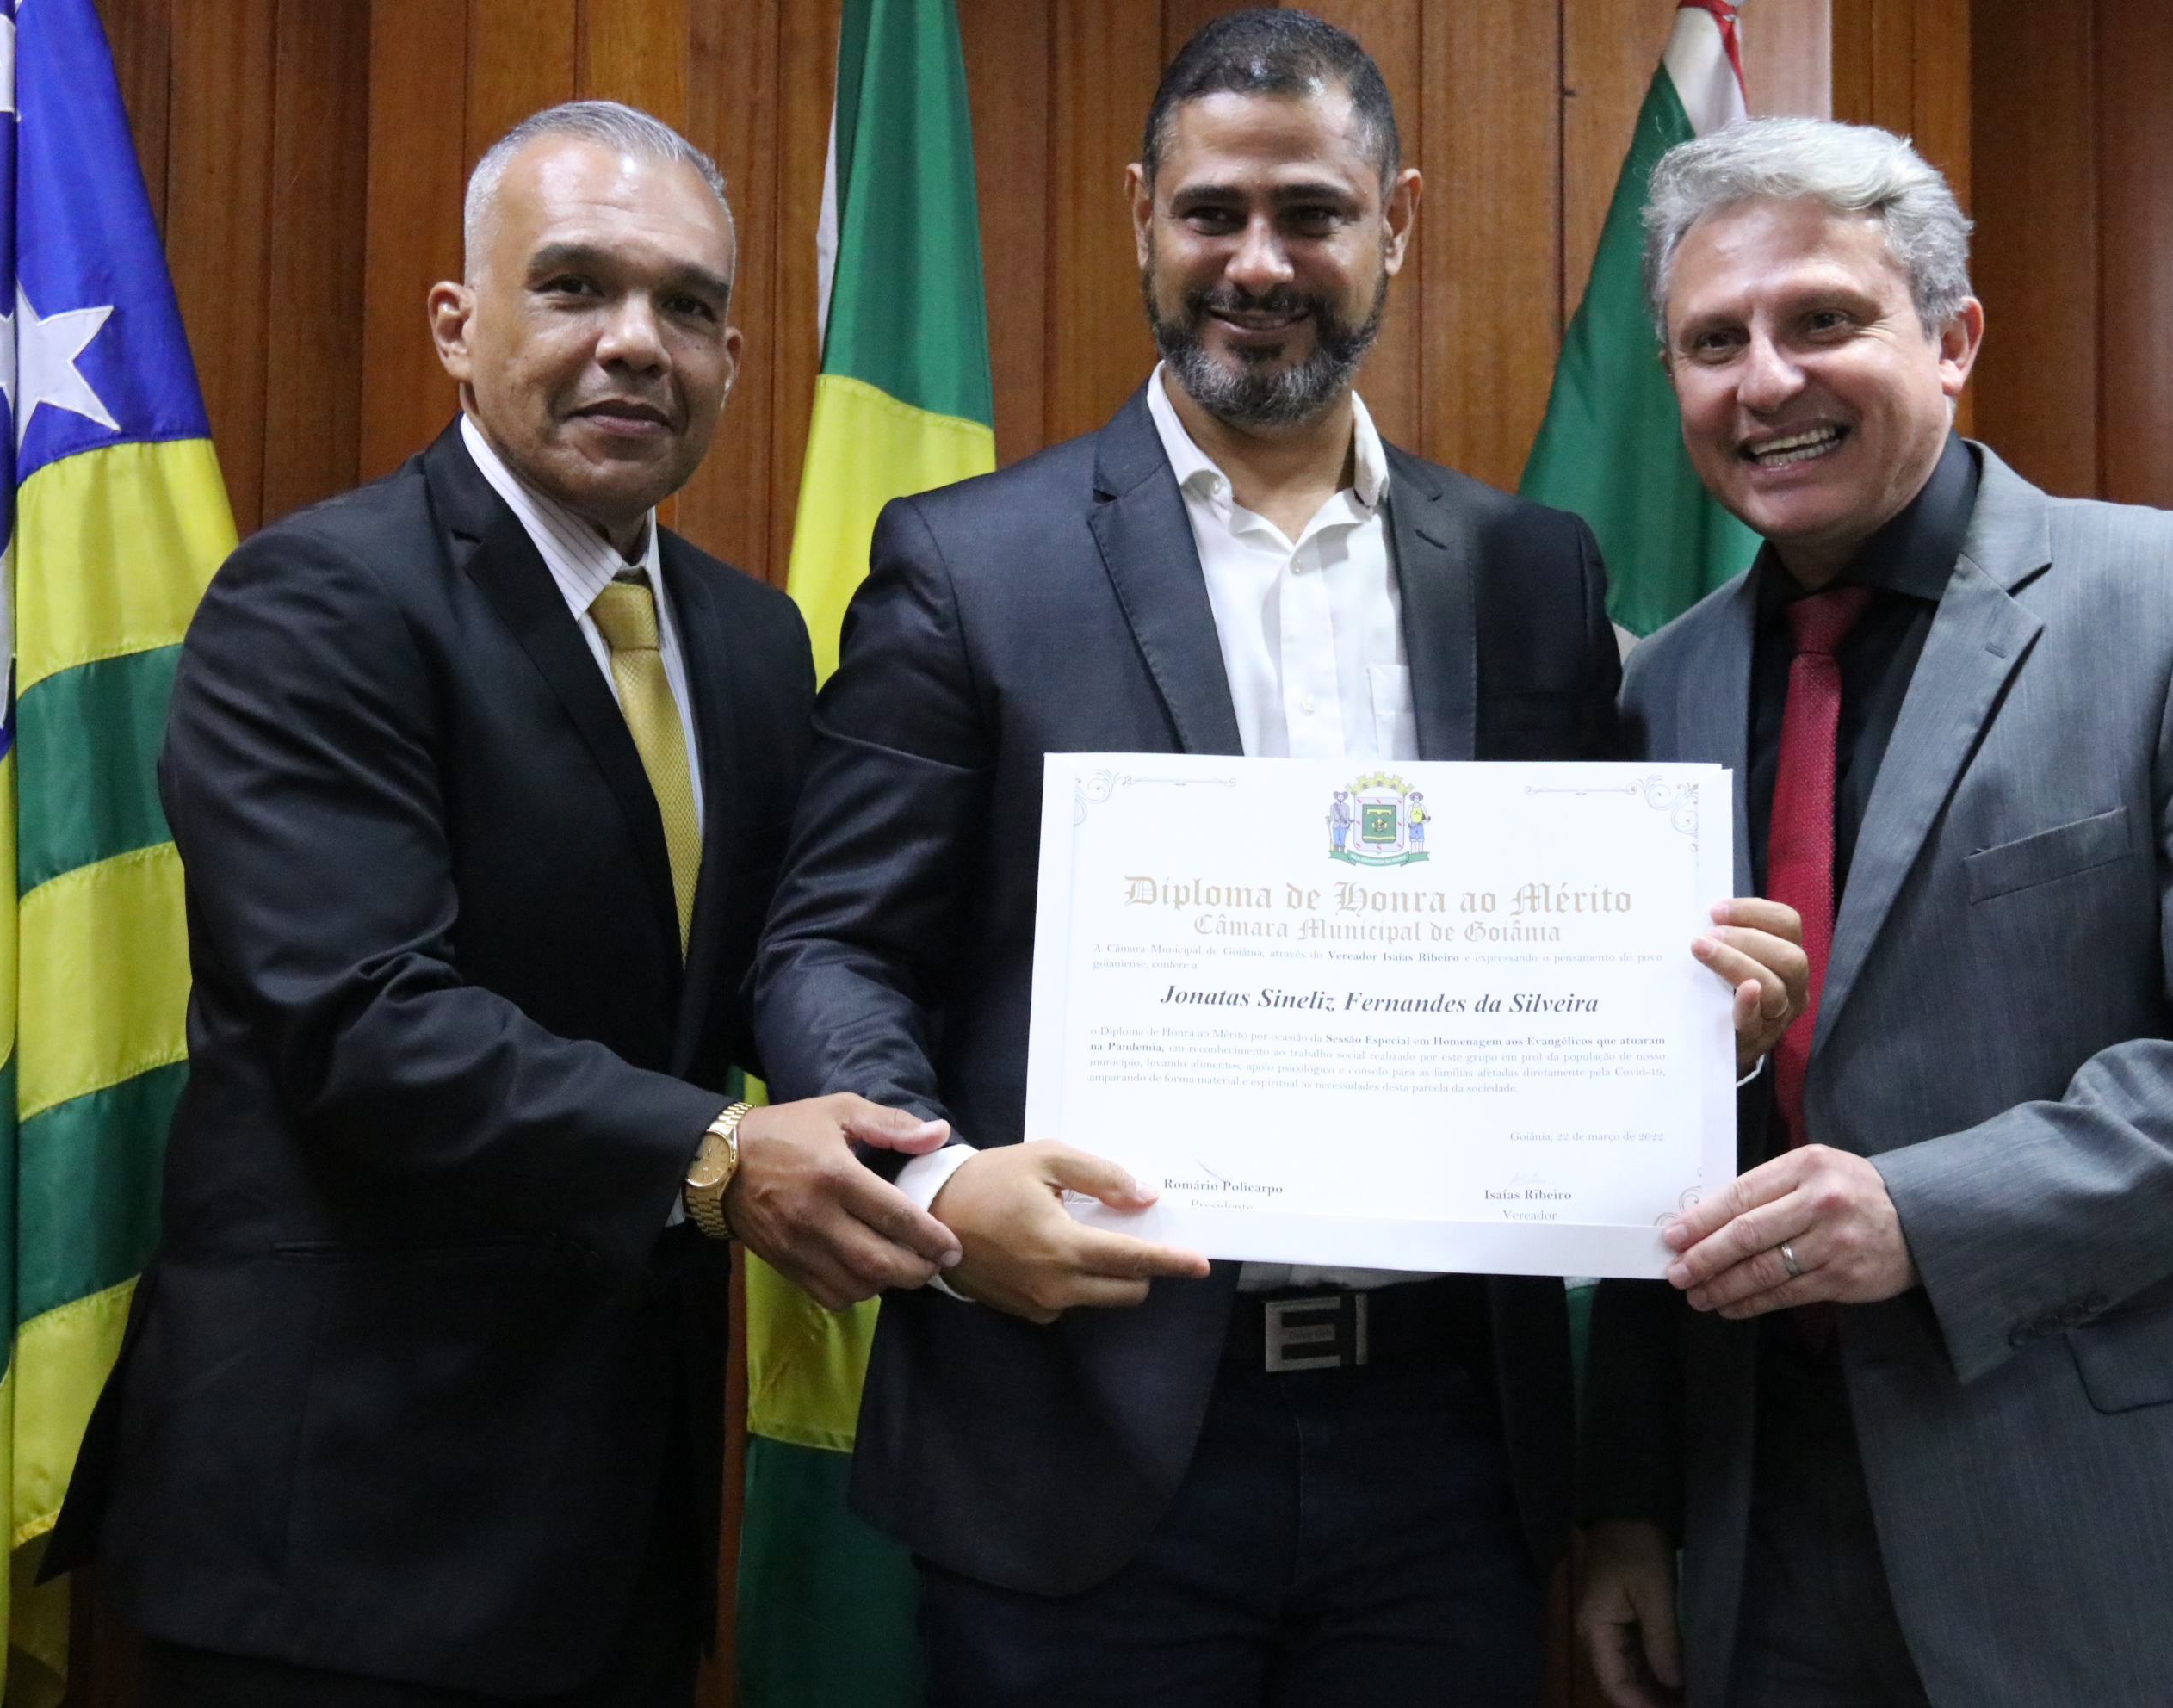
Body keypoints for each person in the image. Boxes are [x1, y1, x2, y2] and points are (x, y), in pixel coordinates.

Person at [752, 14, 1803, 1706]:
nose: (1258, 262)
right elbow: (831, 950)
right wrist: (943, 1196)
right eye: (1211, 212)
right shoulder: (967, 563)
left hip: (1448, 1456)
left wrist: (1701, 1018)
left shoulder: (1534, 571)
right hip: (1071, 1437)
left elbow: (1605, 960)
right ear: (1140, 216)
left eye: (1311, 213)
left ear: (1397, 220)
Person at [45, 102, 962, 1705]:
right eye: (575, 286)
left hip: (618, 1531)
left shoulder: (754, 643)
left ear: (734, 358)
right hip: (342, 1541)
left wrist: (970, 1152)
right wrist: (718, 1155)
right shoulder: (317, 600)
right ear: (457, 327)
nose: (636, 343)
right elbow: (356, 1018)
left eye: (686, 306)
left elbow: (793, 967)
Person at [1576, 116, 2173, 1708]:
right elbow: (1643, 1124)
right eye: (1713, 341)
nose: (1765, 381)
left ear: (1952, 340)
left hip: (2124, 1526)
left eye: (1823, 319)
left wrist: (1926, 1217)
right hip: (1773, 1533)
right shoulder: (1660, 690)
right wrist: (1629, 1501)